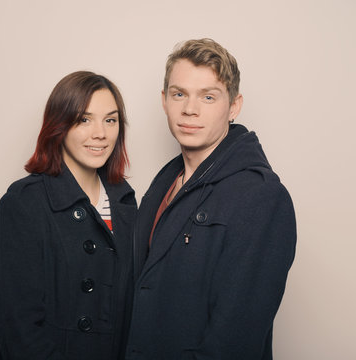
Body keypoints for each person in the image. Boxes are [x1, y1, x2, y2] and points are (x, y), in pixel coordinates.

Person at [125, 39, 297, 359]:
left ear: (234, 106)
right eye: (179, 94)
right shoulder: (164, 183)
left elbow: (235, 339)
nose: (190, 109)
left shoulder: (261, 196)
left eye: (208, 96)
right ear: (164, 101)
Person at [0, 71, 137, 360]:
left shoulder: (125, 203)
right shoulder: (24, 203)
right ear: (60, 126)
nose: (100, 133)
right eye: (84, 119)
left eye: (110, 119)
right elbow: (20, 329)